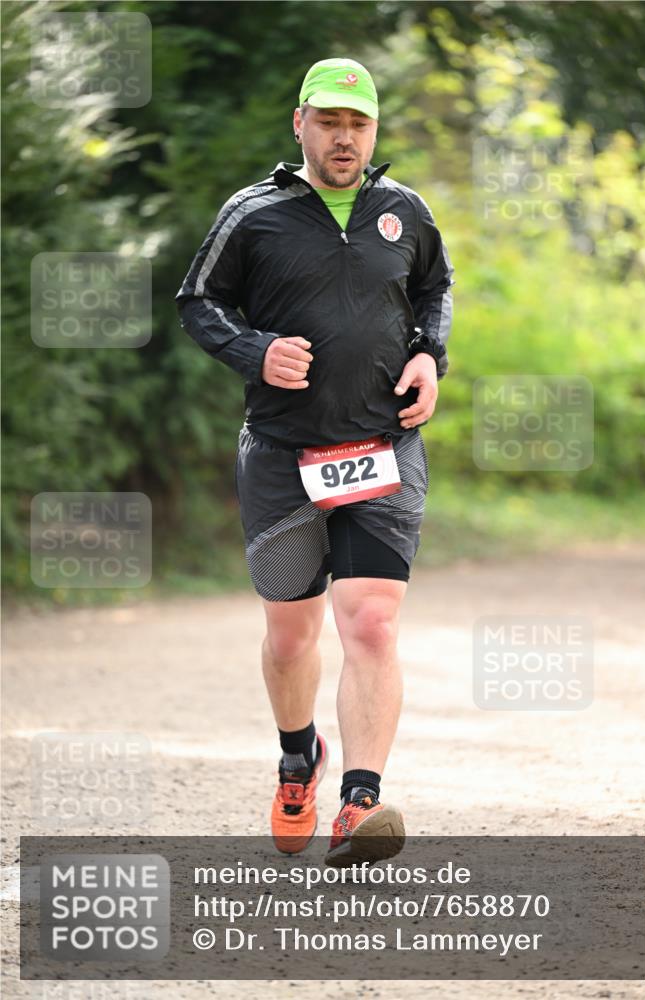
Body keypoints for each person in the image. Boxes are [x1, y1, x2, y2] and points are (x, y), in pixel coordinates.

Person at [176, 57, 454, 867]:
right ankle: (298, 757)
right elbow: (198, 301)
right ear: (299, 123)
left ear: (373, 131)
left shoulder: (404, 210)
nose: (343, 138)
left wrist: (430, 355)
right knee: (292, 637)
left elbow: (435, 287)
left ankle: (359, 804)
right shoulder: (253, 213)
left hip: (381, 447)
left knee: (369, 620)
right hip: (282, 456)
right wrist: (254, 351)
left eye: (357, 124)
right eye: (328, 122)